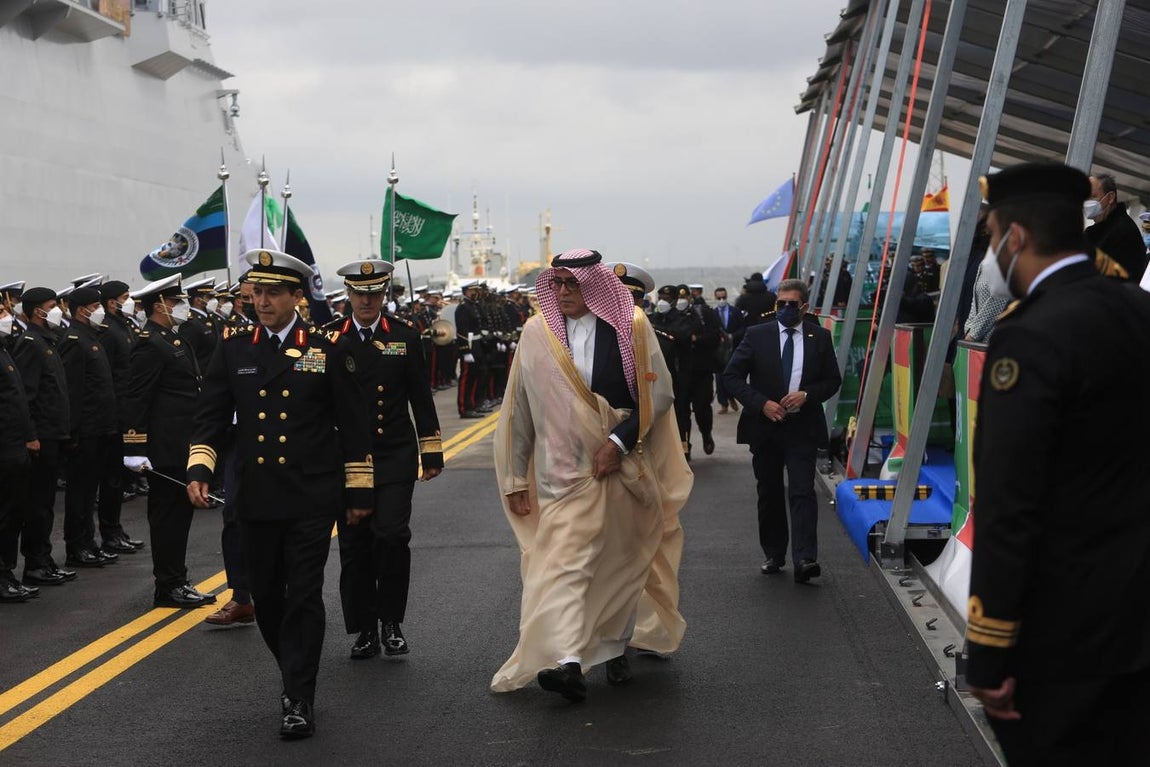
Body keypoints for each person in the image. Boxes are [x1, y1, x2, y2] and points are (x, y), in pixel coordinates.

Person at [964, 162, 1150, 764]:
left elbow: (1009, 507)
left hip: (1066, 644)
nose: (991, 252)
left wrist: (989, 652)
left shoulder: (1032, 335)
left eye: (992, 237)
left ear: (1015, 237)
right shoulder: (1135, 310)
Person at [490, 249, 692, 702]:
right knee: (565, 564)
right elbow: (520, 408)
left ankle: (614, 647)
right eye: (556, 283)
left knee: (618, 562)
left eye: (572, 284)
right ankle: (568, 661)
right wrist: (515, 479)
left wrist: (617, 444)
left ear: (594, 285)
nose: (562, 292)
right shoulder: (536, 333)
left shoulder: (631, 328)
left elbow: (657, 398)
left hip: (620, 468)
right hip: (559, 475)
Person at [186, 249, 372, 739]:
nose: (261, 301)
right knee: (267, 596)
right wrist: (200, 467)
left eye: (272, 293)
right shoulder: (234, 348)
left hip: (311, 494)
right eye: (256, 292)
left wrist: (357, 491)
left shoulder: (328, 347)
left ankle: (298, 694)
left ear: (296, 296)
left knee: (304, 594)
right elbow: (210, 414)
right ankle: (291, 669)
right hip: (256, 494)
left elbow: (354, 425)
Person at [326, 259, 444, 660]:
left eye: (374, 293)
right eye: (359, 293)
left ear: (385, 295)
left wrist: (431, 450)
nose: (366, 300)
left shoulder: (405, 336)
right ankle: (364, 629)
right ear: (348, 295)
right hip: (348, 458)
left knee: (392, 536)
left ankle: (391, 620)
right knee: (355, 545)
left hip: (393, 451)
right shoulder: (329, 338)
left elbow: (420, 397)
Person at [721, 278, 841, 583]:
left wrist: (807, 395)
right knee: (770, 491)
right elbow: (731, 377)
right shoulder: (756, 335)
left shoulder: (819, 337)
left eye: (791, 305)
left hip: (802, 426)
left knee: (802, 491)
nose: (785, 310)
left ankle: (805, 558)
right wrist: (761, 403)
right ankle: (774, 553)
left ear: (803, 307)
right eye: (780, 304)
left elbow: (832, 380)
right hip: (765, 427)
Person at [120, 275, 216, 608]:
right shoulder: (150, 343)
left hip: (182, 444)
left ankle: (177, 579)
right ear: (160, 305)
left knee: (179, 516)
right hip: (164, 448)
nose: (181, 307)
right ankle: (168, 585)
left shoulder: (173, 340)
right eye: (176, 302)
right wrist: (134, 448)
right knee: (168, 519)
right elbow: (136, 399)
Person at [11, 288, 75, 587]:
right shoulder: (31, 344)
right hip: (42, 438)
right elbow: (27, 396)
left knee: (45, 503)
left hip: (54, 434)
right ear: (38, 311)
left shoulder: (47, 341)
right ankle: (35, 562)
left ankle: (44, 558)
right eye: (53, 306)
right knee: (37, 504)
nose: (58, 311)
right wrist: (31, 435)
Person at [59, 285, 123, 568]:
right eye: (95, 305)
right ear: (82, 309)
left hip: (100, 428)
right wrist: (72, 433)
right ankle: (77, 546)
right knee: (80, 491)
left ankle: (89, 542)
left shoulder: (90, 337)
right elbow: (73, 391)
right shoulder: (74, 339)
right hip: (85, 430)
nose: (99, 310)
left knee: (89, 492)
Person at [0, 301, 38, 601]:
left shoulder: (3, 349)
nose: (7, 317)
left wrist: (27, 435)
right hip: (4, 447)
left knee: (12, 512)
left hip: (13, 445)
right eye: (0, 313)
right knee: (4, 514)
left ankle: (6, 572)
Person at [1083, 172, 1147, 282]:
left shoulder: (1121, 231)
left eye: (1093, 196)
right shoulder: (1100, 229)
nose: (1088, 202)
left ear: (1110, 197)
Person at [712, 286, 745, 415]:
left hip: (734, 348)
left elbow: (743, 328)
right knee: (719, 378)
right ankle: (723, 403)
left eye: (723, 297)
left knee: (733, 374)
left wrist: (733, 336)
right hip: (719, 351)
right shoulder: (713, 313)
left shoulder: (735, 311)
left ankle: (732, 396)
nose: (721, 300)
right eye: (719, 297)